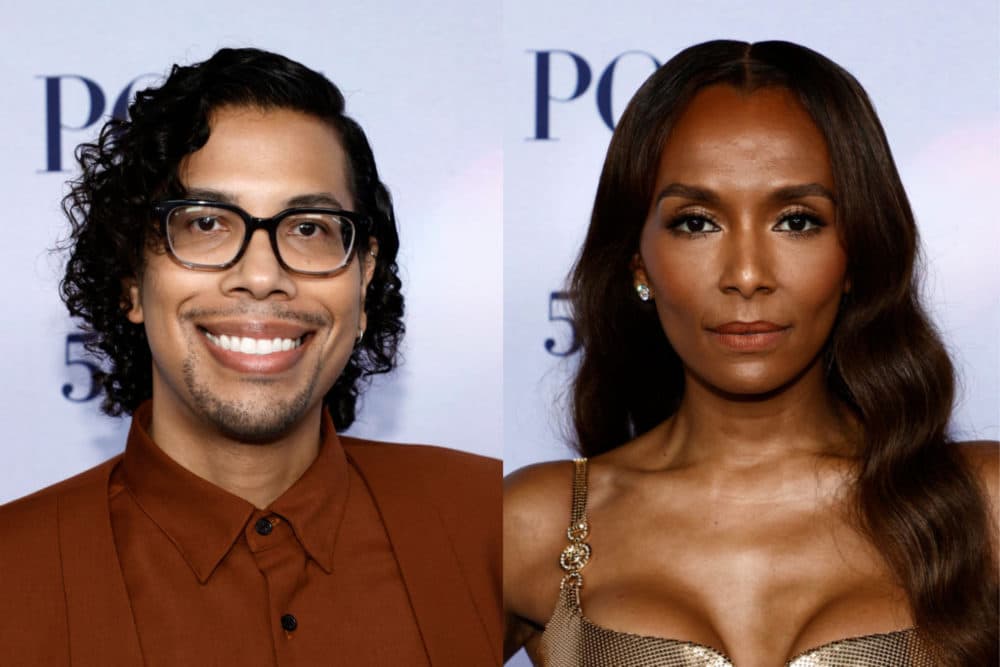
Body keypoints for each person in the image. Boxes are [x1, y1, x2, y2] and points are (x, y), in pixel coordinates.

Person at [504, 40, 998, 666]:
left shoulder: (982, 509)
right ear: (639, 263)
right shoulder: (533, 524)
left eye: (796, 220)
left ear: (856, 255)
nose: (745, 274)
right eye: (696, 221)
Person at [0, 48, 501, 666]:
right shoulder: (11, 574)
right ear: (132, 278)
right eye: (206, 224)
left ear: (364, 278)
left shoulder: (492, 521)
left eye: (309, 227)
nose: (261, 276)